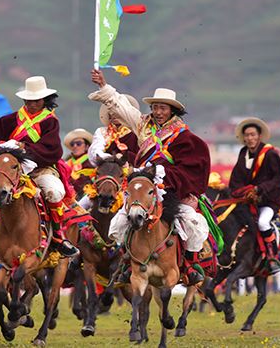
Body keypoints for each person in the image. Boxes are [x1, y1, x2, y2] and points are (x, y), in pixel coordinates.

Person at [89, 69, 210, 285]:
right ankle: (128, 262)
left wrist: (167, 178)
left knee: (192, 222)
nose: (158, 112)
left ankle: (190, 265)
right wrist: (104, 86)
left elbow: (190, 168)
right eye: (155, 107)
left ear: (172, 110)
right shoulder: (142, 124)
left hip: (172, 190)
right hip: (143, 187)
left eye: (163, 108)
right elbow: (121, 106)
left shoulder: (185, 137)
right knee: (119, 223)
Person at [0, 76, 79, 257]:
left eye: (36, 100)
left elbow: (53, 149)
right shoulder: (13, 119)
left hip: (40, 170)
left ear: (44, 100)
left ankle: (57, 235)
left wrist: (25, 148)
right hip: (12, 172)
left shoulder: (50, 122)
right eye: (28, 100)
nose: (32, 104)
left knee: (54, 191)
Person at [228, 117, 280, 274]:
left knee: (262, 222)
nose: (250, 138)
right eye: (247, 135)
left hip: (268, 201)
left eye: (253, 135)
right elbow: (235, 180)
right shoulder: (243, 153)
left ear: (259, 136)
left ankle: (271, 257)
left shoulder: (270, 154)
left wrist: (259, 189)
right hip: (248, 202)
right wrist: (242, 192)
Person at [88, 95, 140, 167]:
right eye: (112, 110)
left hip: (133, 169)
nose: (115, 114)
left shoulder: (137, 130)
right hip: (107, 167)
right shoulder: (102, 131)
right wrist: (113, 158)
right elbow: (95, 152)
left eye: (118, 110)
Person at [64, 128, 95, 198]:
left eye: (79, 143)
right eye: (72, 144)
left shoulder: (92, 162)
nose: (75, 146)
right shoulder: (65, 164)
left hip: (87, 197)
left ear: (87, 146)